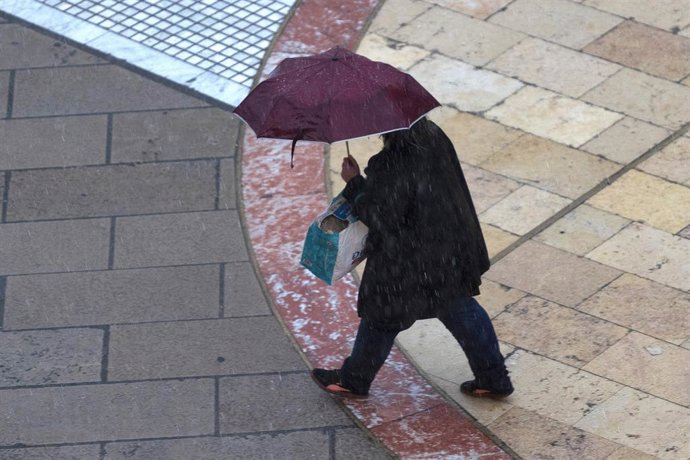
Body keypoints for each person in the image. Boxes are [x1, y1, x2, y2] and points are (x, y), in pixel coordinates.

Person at [310, 117, 514, 399]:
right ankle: (494, 378)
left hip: (406, 261)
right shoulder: (433, 136)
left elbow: (382, 216)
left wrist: (355, 184)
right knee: (460, 310)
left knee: (381, 318)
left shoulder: (392, 164)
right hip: (447, 251)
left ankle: (354, 379)